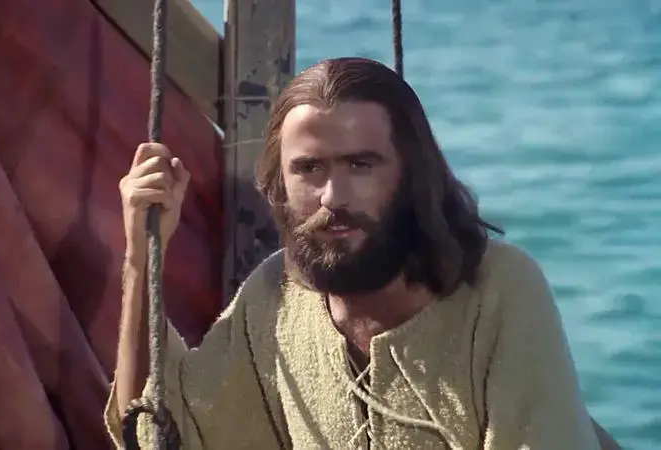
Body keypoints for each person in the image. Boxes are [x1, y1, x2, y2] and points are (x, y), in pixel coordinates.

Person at [106, 57, 621, 449]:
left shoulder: (499, 290)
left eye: (361, 165)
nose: (333, 197)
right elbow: (155, 432)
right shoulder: (275, 299)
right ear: (280, 184)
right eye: (309, 169)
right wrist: (142, 254)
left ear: (411, 174)